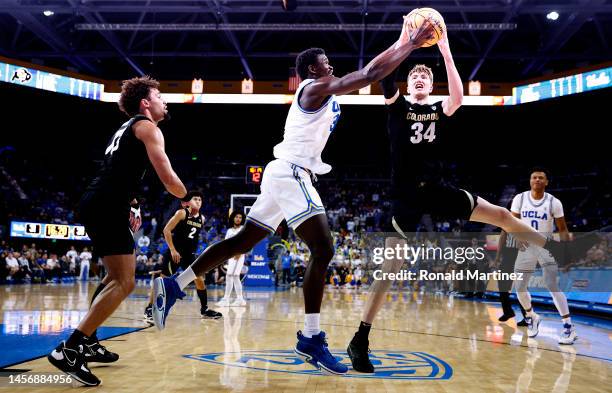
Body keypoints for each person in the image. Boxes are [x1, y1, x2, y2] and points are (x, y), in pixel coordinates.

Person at [152, 15, 438, 375]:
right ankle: (311, 338)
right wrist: (408, 42)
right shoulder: (312, 88)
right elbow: (367, 75)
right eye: (323, 62)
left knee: (241, 242)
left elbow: (372, 75)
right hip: (290, 173)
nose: (330, 65)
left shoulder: (322, 89)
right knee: (324, 249)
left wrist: (403, 45)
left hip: (282, 174)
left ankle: (174, 285)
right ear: (309, 70)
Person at [346, 29, 600, 373]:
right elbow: (384, 73)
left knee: (502, 216)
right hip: (404, 195)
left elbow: (458, 97)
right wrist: (407, 41)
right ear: (407, 85)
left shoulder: (440, 107)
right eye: (414, 75)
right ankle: (360, 338)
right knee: (391, 268)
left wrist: (445, 49)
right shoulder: (396, 105)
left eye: (425, 74)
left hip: (436, 189)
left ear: (431, 85)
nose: (419, 77)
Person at [47, 76, 191, 386]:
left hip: (101, 200)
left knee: (114, 278)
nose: (164, 101)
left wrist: (134, 202)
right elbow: (167, 178)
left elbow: (121, 170)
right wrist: (187, 197)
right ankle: (70, 349)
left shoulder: (127, 128)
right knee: (125, 282)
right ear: (145, 103)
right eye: (159, 95)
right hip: (106, 204)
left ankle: (86, 340)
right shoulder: (148, 127)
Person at [511, 168, 577, 344]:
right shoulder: (520, 198)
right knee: (519, 287)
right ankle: (532, 316)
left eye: (541, 178)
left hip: (546, 246)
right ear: (530, 181)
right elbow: (511, 223)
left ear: (546, 182)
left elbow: (563, 230)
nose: (537, 180)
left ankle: (568, 326)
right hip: (526, 247)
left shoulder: (554, 202)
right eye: (534, 177)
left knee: (552, 285)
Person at [144, 191, 221, 323]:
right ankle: (150, 309)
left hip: (189, 255)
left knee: (200, 280)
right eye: (195, 199)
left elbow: (193, 238)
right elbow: (166, 230)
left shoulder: (201, 218)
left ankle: (204, 309)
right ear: (189, 202)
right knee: (162, 281)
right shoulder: (182, 213)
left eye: (200, 200)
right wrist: (173, 250)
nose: (198, 201)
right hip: (176, 253)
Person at [217, 211, 247, 307]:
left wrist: (240, 252)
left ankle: (238, 299)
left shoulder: (243, 229)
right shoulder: (229, 230)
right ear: (233, 218)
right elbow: (226, 244)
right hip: (231, 256)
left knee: (234, 275)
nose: (238, 219)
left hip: (240, 255)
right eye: (236, 217)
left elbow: (246, 243)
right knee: (229, 276)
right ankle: (229, 299)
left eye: (240, 217)